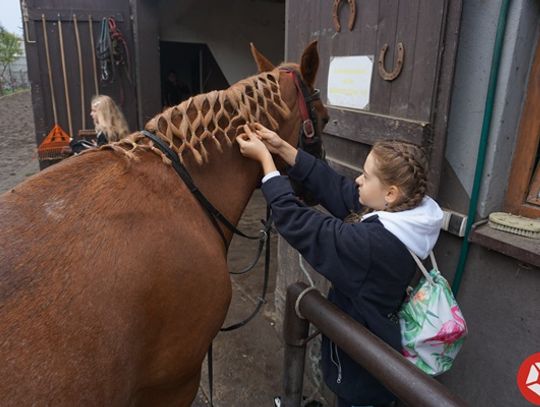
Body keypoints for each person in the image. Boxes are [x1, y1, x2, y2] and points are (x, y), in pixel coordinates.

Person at [236, 123, 444, 407]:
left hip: (363, 373)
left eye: (366, 176)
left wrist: (266, 163)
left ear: (391, 193)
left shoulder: (372, 245)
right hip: (377, 354)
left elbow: (303, 225)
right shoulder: (407, 215)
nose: (358, 180)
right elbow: (338, 189)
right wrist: (282, 147)